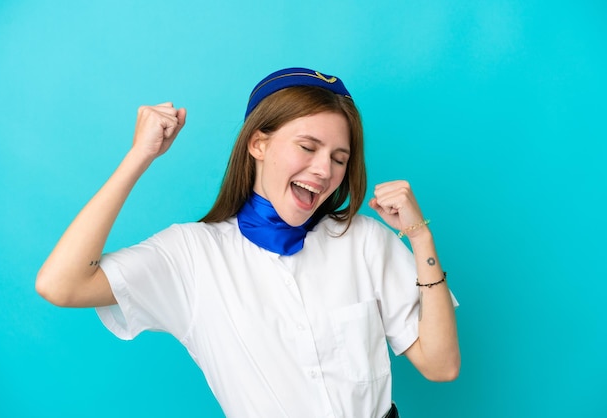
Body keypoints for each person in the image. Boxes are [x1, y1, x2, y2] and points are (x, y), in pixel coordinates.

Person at [36, 67, 460, 418]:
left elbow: (441, 365)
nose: (323, 170)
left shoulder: (363, 239)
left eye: (338, 159)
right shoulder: (192, 255)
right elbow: (61, 284)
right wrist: (139, 156)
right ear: (259, 142)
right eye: (308, 147)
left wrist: (420, 234)